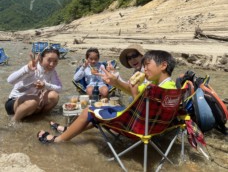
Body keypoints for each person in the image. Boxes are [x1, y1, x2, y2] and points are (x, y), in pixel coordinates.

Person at [37, 49, 177, 143]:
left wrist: (134, 89)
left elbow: (138, 105)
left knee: (89, 110)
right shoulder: (170, 88)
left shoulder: (156, 90)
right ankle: (70, 130)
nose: (144, 69)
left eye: (147, 65)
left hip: (138, 128)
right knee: (100, 110)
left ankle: (59, 140)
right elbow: (132, 91)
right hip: (152, 127)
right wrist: (116, 82)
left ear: (163, 65)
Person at [5, 46, 62, 123]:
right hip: (14, 102)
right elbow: (10, 80)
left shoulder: (52, 71)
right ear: (41, 58)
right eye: (49, 60)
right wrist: (27, 69)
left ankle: (40, 118)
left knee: (54, 95)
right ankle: (14, 121)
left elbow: (59, 88)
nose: (52, 64)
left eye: (55, 61)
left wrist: (45, 85)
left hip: (34, 102)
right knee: (34, 100)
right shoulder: (32, 67)